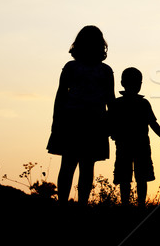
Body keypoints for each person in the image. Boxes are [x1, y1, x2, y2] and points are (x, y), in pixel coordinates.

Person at [47, 25, 115, 205]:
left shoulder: (73, 67)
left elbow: (60, 96)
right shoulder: (104, 70)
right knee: (86, 166)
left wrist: (56, 121)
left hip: (76, 120)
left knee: (69, 165)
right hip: (90, 121)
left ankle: (64, 203)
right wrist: (112, 124)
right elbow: (111, 101)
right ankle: (81, 203)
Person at [108, 67, 160, 207]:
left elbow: (109, 124)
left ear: (122, 83)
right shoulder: (142, 104)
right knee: (139, 177)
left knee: (128, 177)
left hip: (126, 145)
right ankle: (140, 205)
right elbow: (153, 124)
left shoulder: (118, 104)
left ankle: (128, 205)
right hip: (140, 145)